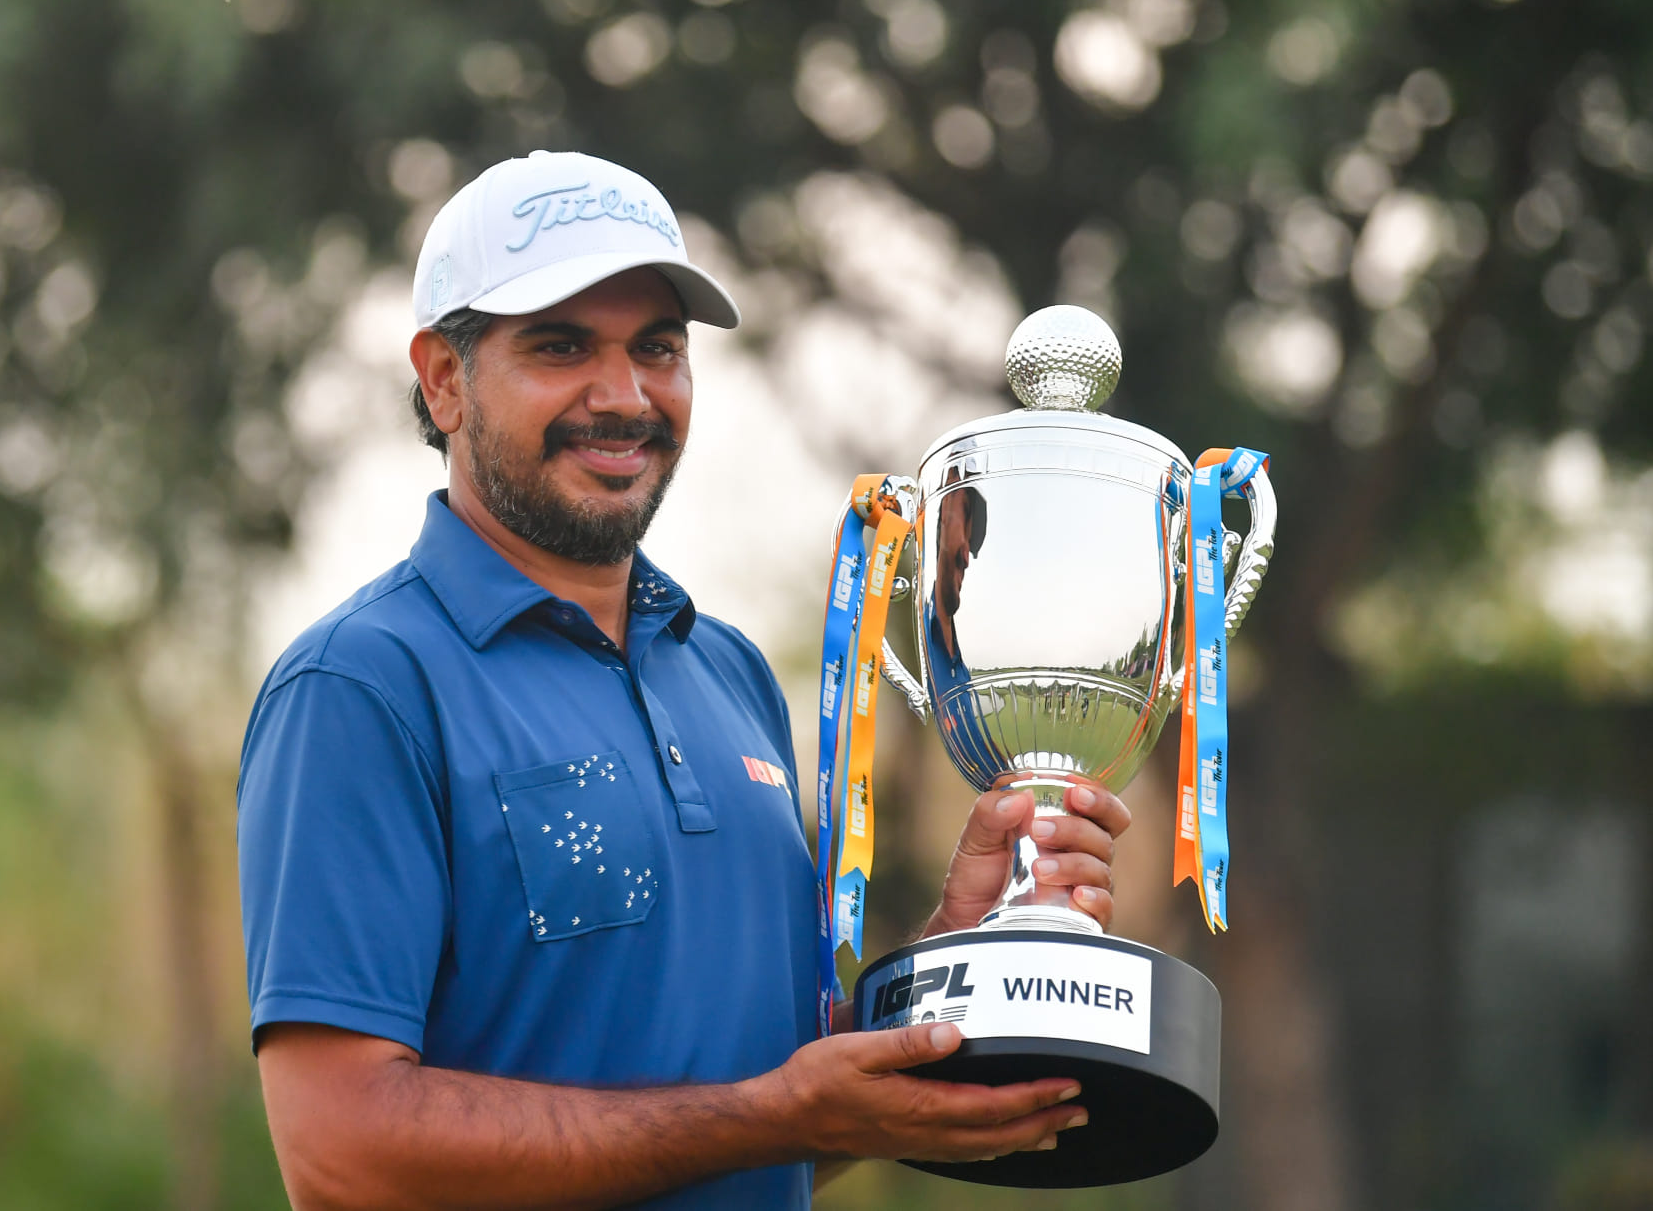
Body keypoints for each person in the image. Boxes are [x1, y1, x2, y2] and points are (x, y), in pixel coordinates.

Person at [236, 150, 1133, 1210]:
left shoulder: (729, 675)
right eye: (560, 346)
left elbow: (777, 1121)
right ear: (443, 379)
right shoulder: (360, 687)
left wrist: (954, 950)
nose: (622, 396)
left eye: (656, 348)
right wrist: (777, 1113)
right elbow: (342, 1154)